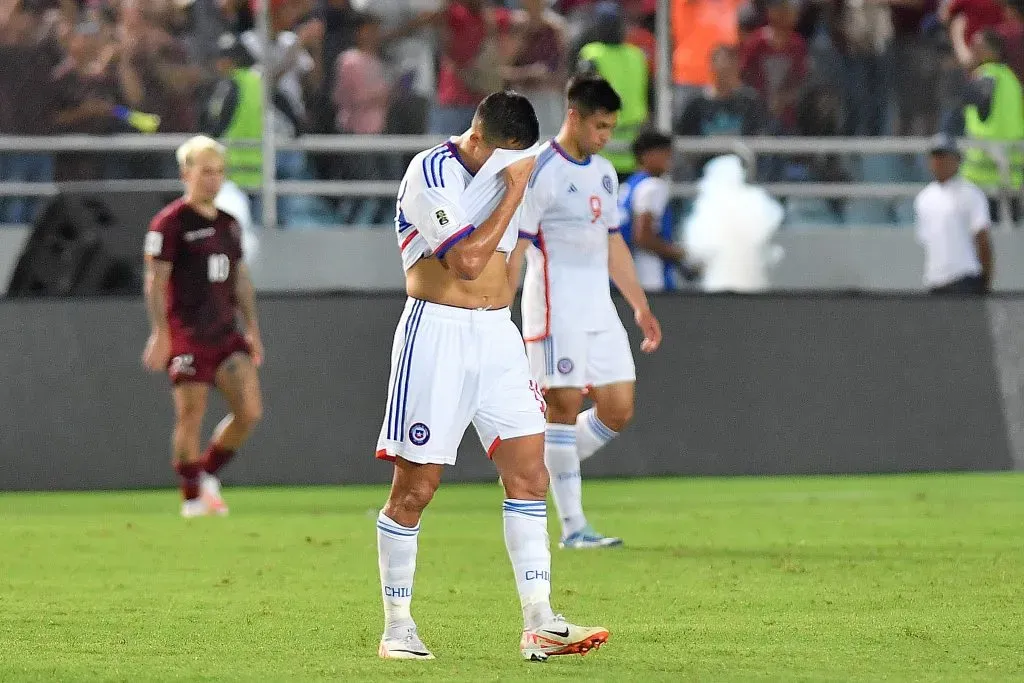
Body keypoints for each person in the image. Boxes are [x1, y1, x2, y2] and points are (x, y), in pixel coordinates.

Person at [374, 91, 609, 662]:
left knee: (530, 476)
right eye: (506, 158)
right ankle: (397, 628)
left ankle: (539, 622)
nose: (514, 168)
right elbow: (468, 262)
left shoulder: (509, 169)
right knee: (416, 490)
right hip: (438, 334)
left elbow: (508, 266)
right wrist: (514, 192)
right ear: (478, 139)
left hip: (496, 337)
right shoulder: (432, 172)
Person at [509, 76, 663, 550]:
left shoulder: (603, 172)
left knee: (618, 408)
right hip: (556, 310)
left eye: (611, 128)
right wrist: (501, 308)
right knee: (564, 407)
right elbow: (519, 244)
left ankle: (531, 463)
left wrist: (639, 304)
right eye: (599, 126)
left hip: (600, 309)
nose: (605, 137)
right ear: (573, 115)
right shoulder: (538, 169)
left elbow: (613, 241)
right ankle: (574, 528)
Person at [142, 135, 265, 518]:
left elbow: (240, 278)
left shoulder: (229, 224)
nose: (214, 179)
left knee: (249, 412)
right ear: (186, 173)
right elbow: (155, 282)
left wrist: (252, 328)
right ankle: (191, 495)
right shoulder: (169, 223)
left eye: (219, 172)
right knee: (190, 414)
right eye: (206, 171)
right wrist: (161, 333)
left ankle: (207, 472)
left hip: (225, 334)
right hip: (188, 334)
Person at [914, 135, 994, 295]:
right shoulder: (923, 199)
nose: (939, 162)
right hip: (936, 281)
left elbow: (982, 239)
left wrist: (985, 280)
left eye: (944, 156)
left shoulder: (971, 194)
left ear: (956, 160)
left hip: (965, 279)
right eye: (936, 157)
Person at [618, 130, 686, 292]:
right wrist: (679, 254)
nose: (669, 158)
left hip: (626, 272)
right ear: (646, 155)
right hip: (650, 274)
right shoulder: (652, 186)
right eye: (664, 152)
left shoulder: (629, 185)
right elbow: (643, 237)